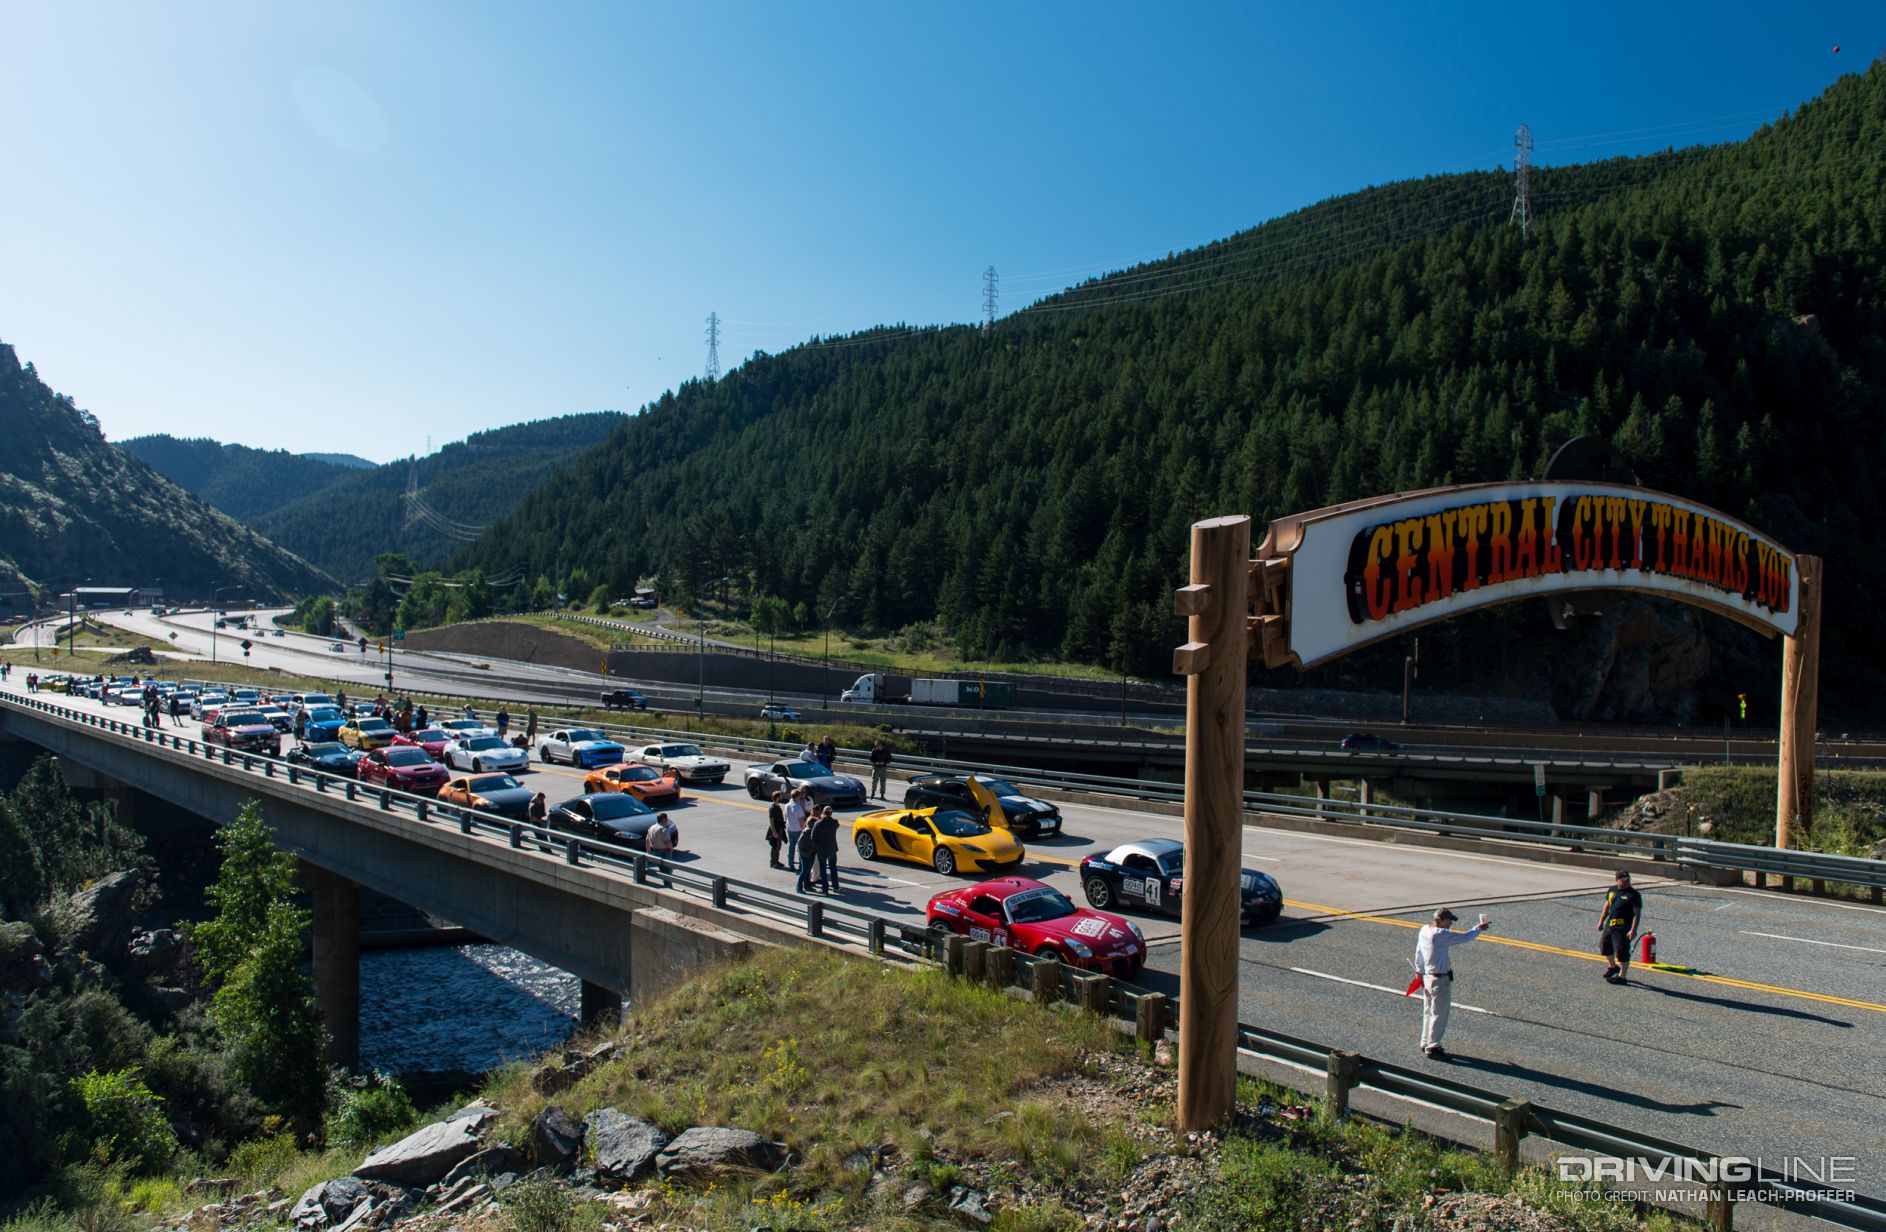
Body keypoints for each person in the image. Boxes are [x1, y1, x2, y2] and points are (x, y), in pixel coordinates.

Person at [1413, 907, 1491, 1060]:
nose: (1451, 924)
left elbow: (1418, 952)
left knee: (1428, 1011)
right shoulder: (1441, 934)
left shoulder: (1424, 931)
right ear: (1441, 920)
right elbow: (1465, 937)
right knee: (1439, 1013)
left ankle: (1425, 1042)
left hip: (1428, 976)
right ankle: (1433, 1046)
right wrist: (1478, 928)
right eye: (1449, 921)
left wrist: (1418, 971)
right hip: (1440, 979)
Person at [1598, 870, 1643, 984]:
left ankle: (1622, 977)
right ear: (1617, 880)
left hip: (1623, 927)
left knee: (1621, 951)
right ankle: (1613, 967)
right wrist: (1601, 921)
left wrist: (1633, 930)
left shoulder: (1634, 895)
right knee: (1604, 946)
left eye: (1628, 880)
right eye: (1624, 881)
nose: (1627, 882)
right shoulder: (1612, 890)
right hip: (1610, 924)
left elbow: (1637, 914)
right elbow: (1607, 906)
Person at [812, 805, 841, 894]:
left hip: (821, 849)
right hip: (832, 848)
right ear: (831, 813)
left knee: (823, 869)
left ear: (823, 813)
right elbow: (837, 825)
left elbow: (813, 837)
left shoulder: (818, 823)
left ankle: (825, 889)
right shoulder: (835, 823)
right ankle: (835, 886)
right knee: (833, 868)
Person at [645, 812, 675, 886]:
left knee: (662, 871)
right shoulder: (663, 829)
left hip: (655, 851)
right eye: (666, 818)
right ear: (664, 819)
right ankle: (669, 887)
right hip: (664, 852)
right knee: (668, 871)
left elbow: (647, 840)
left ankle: (667, 885)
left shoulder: (651, 828)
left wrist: (649, 851)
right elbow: (667, 842)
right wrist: (671, 849)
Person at [783, 788, 809, 872]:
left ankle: (791, 864)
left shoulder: (787, 805)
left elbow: (785, 816)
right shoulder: (797, 806)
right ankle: (801, 866)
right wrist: (803, 828)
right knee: (800, 848)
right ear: (797, 796)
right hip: (797, 829)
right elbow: (802, 819)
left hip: (790, 828)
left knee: (791, 847)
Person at [766, 791, 788, 868]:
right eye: (780, 796)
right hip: (776, 829)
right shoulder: (772, 808)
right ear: (777, 797)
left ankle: (776, 861)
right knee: (775, 846)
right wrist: (774, 832)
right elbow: (771, 821)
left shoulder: (778, 806)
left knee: (779, 846)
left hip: (780, 828)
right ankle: (773, 862)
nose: (781, 797)